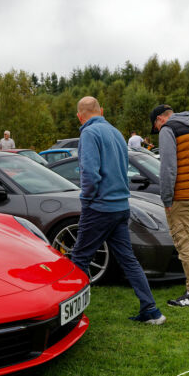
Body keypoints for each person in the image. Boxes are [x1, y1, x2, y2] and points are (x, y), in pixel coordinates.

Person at [72, 96, 166, 325]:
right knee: (128, 260)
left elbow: (90, 174)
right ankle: (152, 311)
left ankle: (70, 317)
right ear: (101, 111)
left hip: (99, 207)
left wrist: (85, 200)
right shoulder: (116, 133)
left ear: (79, 116)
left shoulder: (88, 133)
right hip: (121, 206)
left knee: (78, 260)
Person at [150, 104, 189, 307]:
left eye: (156, 127)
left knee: (184, 244)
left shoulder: (169, 129)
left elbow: (167, 167)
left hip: (182, 196)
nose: (158, 130)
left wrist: (167, 198)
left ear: (160, 119)